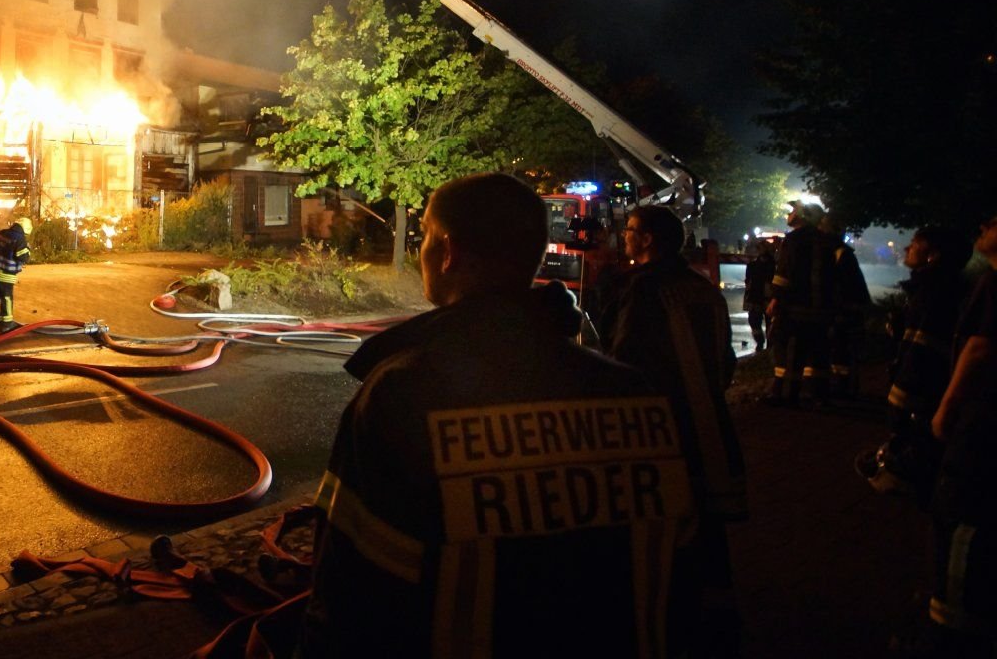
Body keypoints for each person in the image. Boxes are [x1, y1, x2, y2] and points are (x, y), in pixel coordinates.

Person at [297, 173, 696, 659]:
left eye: (424, 235)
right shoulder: (636, 395)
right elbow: (685, 577)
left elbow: (349, 598)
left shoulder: (405, 397)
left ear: (448, 252)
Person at [606, 204, 748, 658]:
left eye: (630, 231)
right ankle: (719, 623)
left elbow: (626, 364)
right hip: (710, 425)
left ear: (647, 241)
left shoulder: (647, 290)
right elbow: (724, 362)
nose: (624, 237)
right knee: (710, 536)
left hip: (664, 434)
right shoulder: (702, 290)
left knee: (667, 542)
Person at [923, 214, 997, 652]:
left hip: (983, 419)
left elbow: (981, 346)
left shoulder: (992, 282)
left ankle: (953, 626)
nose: (983, 228)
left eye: (992, 224)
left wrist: (946, 407)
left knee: (961, 516)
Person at [857, 225, 970, 501]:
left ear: (932, 255)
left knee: (920, 451)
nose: (907, 248)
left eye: (915, 244)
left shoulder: (933, 292)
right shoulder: (944, 288)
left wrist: (900, 399)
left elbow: (922, 350)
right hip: (931, 391)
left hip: (922, 394)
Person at [767, 199, 837, 406]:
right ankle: (818, 394)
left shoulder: (794, 239)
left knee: (789, 352)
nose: (789, 215)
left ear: (803, 215)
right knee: (818, 354)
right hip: (822, 309)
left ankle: (786, 395)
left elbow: (785, 273)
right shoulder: (826, 241)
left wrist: (776, 298)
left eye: (793, 211)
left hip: (796, 308)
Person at [821, 215, 873, 401]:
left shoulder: (841, 255)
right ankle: (843, 386)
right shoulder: (840, 253)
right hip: (846, 310)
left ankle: (844, 389)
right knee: (839, 350)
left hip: (846, 312)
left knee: (842, 350)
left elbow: (843, 286)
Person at [0, 216, 32, 331]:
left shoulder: (2, 233)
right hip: (6, 274)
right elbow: (23, 256)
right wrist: (28, 250)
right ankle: (7, 323)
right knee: (7, 297)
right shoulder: (20, 239)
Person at [743, 238, 776, 352]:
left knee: (771, 324)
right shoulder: (752, 266)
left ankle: (770, 347)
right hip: (755, 298)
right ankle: (760, 342)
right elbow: (748, 282)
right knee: (754, 321)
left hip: (769, 299)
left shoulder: (774, 266)